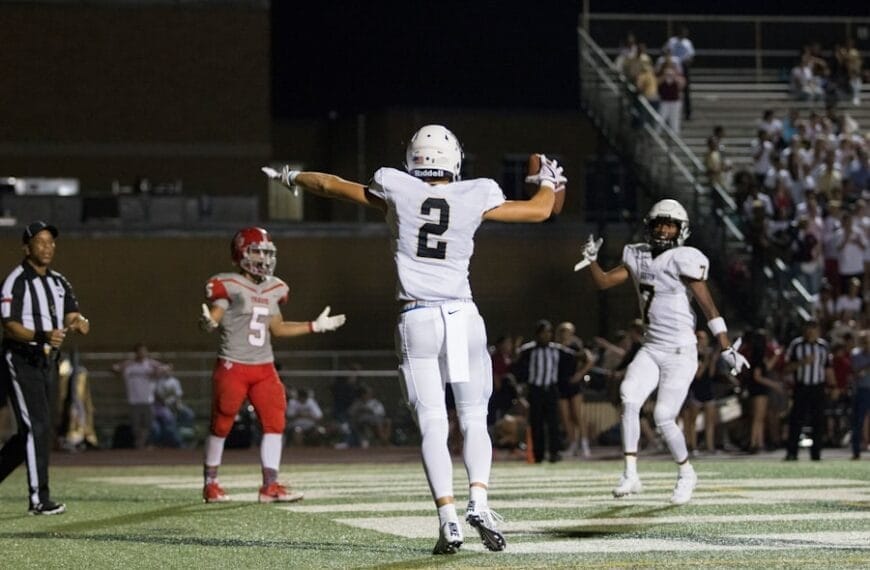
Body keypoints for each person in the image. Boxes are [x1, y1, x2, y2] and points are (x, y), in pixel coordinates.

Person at [264, 124, 566, 554]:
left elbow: (330, 185)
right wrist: (550, 179)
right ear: (455, 159)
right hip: (462, 315)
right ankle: (478, 500)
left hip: (418, 316)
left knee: (432, 423)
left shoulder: (394, 185)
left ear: (413, 159)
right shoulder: (476, 192)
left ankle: (448, 519)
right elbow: (540, 211)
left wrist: (291, 177)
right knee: (474, 416)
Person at [577, 199, 748, 505]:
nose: (663, 230)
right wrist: (591, 260)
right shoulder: (637, 254)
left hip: (681, 351)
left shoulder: (685, 259)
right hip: (652, 347)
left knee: (663, 415)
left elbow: (709, 307)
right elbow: (604, 282)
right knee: (629, 397)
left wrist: (724, 346)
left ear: (680, 230)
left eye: (669, 225)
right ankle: (630, 475)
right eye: (659, 224)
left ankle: (686, 472)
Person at [199, 226, 346, 504]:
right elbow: (214, 316)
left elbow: (277, 328)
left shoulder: (274, 287)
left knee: (275, 422)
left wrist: (315, 326)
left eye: (267, 252)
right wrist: (207, 322)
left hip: (264, 367)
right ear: (240, 253)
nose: (263, 258)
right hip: (234, 364)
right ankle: (211, 483)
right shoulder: (228, 284)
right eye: (256, 251)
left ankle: (270, 486)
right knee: (221, 424)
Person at [0, 221, 90, 515]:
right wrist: (41, 336)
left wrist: (79, 322)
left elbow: (72, 314)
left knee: (36, 428)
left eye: (51, 242)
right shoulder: (16, 281)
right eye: (40, 242)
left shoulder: (58, 281)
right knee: (35, 426)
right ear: (27, 247)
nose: (47, 247)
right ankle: (39, 499)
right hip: (21, 358)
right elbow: (10, 326)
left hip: (47, 362)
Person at [512, 319, 576, 464]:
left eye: (548, 333)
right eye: (543, 333)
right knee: (536, 423)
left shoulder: (557, 349)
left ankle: (555, 452)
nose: (546, 336)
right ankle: (538, 454)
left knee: (553, 422)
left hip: (551, 389)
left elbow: (575, 357)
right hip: (535, 390)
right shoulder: (528, 350)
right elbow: (517, 365)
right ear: (537, 334)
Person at [783, 319, 834, 461]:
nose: (810, 332)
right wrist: (802, 362)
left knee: (818, 421)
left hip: (818, 387)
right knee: (796, 420)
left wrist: (833, 386)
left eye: (814, 329)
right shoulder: (796, 345)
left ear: (818, 331)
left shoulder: (823, 346)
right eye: (808, 329)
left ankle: (816, 453)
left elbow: (828, 368)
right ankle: (792, 452)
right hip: (802, 387)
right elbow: (786, 368)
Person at [112, 343, 169, 449]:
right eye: (139, 351)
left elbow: (166, 368)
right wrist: (123, 365)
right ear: (136, 353)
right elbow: (115, 369)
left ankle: (141, 444)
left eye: (144, 351)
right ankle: (139, 444)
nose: (142, 353)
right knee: (136, 426)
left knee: (148, 425)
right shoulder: (129, 366)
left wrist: (157, 370)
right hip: (134, 400)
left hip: (148, 400)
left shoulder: (151, 365)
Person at [665, 25, 695, 121]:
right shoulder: (672, 41)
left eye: (685, 33)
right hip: (674, 67)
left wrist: (688, 61)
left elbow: (691, 55)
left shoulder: (687, 42)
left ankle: (688, 113)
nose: (684, 34)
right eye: (682, 32)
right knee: (672, 90)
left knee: (686, 91)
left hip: (683, 67)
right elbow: (666, 50)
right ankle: (670, 115)